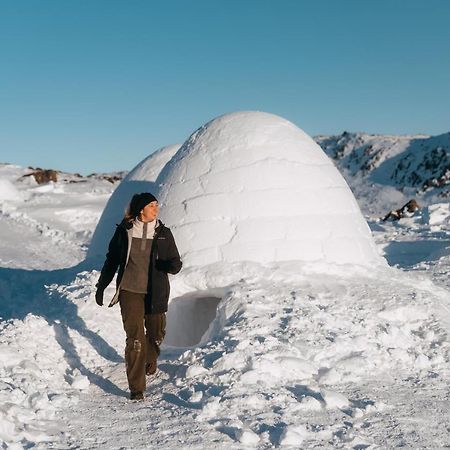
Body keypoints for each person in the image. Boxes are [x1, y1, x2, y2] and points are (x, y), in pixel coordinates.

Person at [95, 192, 182, 401]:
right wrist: (102, 285)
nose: (157, 209)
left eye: (157, 205)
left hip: (156, 292)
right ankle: (137, 388)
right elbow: (112, 259)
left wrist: (169, 265)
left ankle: (150, 358)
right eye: (152, 205)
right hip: (129, 291)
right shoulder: (124, 231)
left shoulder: (163, 233)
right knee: (135, 339)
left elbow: (175, 262)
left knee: (156, 334)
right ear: (141, 208)